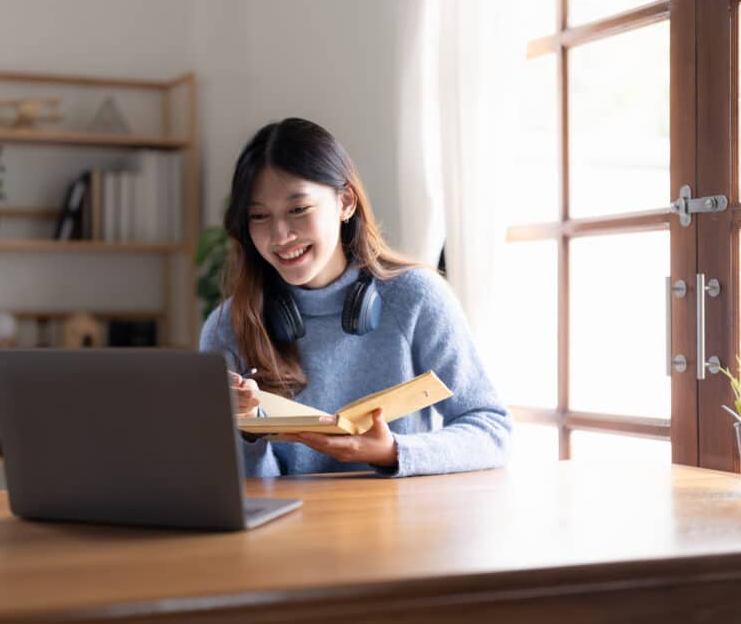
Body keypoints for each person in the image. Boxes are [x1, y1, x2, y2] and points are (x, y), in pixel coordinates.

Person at [199, 117, 511, 478]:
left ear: (345, 201)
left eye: (299, 209)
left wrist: (395, 451)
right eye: (259, 216)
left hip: (399, 526)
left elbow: (492, 430)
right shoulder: (229, 326)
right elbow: (246, 487)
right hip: (286, 529)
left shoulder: (416, 298)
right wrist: (246, 432)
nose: (280, 235)